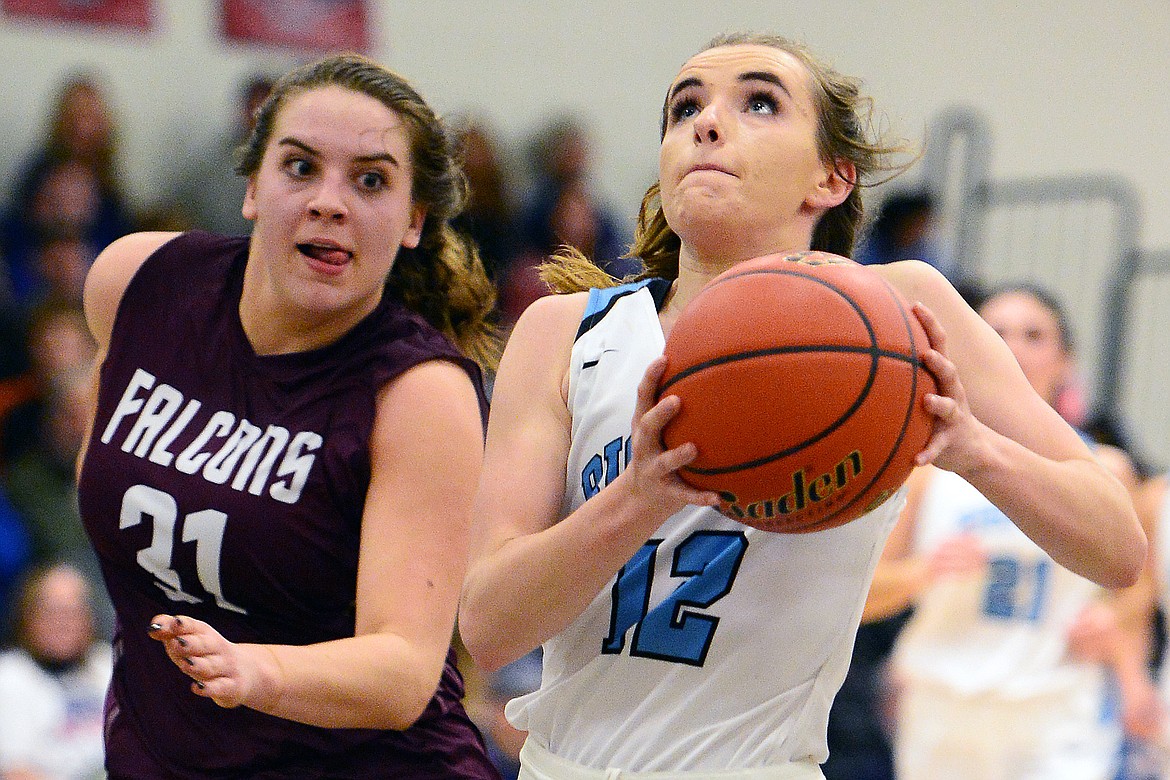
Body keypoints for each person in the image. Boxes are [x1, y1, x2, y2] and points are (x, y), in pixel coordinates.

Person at [456, 32, 1145, 779]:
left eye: (759, 102)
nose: (706, 123)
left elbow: (1117, 547)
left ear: (832, 178)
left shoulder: (897, 313)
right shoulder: (566, 330)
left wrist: (976, 449)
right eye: (685, 107)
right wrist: (636, 500)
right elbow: (488, 628)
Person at [76, 53, 501, 778]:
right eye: (300, 167)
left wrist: (257, 672)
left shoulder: (421, 392)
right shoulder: (136, 281)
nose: (329, 201)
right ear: (251, 186)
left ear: (412, 221)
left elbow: (402, 671)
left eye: (370, 180)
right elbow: (104, 487)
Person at [865, 284, 1147, 780]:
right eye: (995, 334)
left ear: (1065, 363)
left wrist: (1117, 634)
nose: (1012, 347)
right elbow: (865, 597)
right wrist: (922, 573)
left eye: (1033, 335)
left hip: (1056, 710)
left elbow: (1138, 588)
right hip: (944, 711)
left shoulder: (1107, 470)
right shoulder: (925, 467)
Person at [0, 562, 112, 780]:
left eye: (73, 611)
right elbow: (13, 772)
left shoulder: (107, 663)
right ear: (28, 617)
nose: (62, 622)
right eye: (51, 611)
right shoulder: (9, 678)